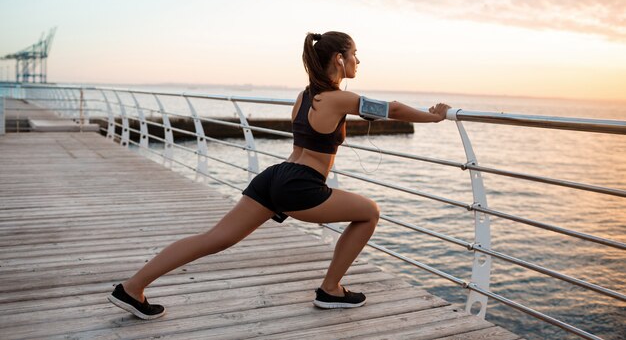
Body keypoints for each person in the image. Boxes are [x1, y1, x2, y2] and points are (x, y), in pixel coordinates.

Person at [108, 31, 451, 319]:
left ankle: (132, 287)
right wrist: (435, 116)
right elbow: (391, 109)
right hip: (301, 185)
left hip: (276, 176)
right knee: (370, 212)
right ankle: (330, 289)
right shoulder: (338, 98)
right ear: (339, 60)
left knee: (215, 238)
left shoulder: (304, 96)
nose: (358, 62)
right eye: (355, 55)